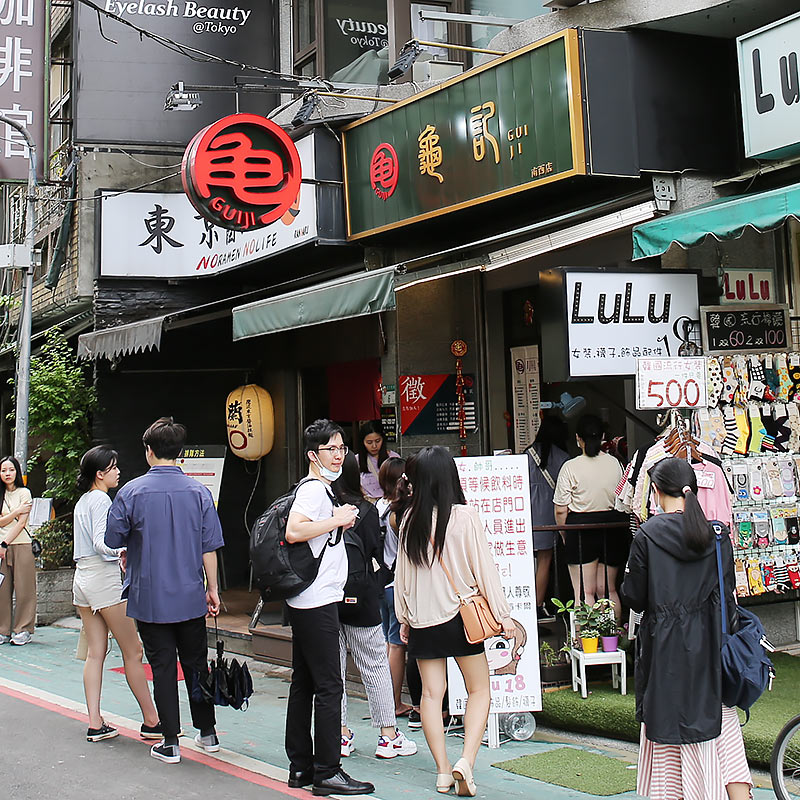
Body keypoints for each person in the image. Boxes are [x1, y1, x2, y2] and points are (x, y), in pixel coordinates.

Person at [621, 458, 752, 800]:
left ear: (657, 492)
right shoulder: (717, 535)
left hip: (664, 653)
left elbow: (634, 597)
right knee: (723, 737)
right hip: (711, 652)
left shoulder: (647, 534)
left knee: (668, 741)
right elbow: (727, 594)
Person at [395, 446, 513, 797]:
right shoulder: (465, 517)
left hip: (423, 618)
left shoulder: (408, 520)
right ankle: (467, 761)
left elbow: (402, 577)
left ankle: (444, 771)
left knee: (431, 696)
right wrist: (503, 614)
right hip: (463, 618)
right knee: (479, 690)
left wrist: (404, 617)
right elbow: (485, 570)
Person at [105, 417, 223, 765]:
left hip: (150, 595)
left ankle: (170, 741)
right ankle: (208, 733)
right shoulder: (199, 492)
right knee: (196, 664)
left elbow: (113, 539)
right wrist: (212, 588)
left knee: (163, 667)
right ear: (181, 453)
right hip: (191, 594)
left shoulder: (131, 492)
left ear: (149, 452)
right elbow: (209, 546)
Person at [284, 419, 374, 796]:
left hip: (310, 598)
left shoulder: (322, 489)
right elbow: (293, 531)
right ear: (312, 455)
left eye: (341, 449)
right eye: (331, 450)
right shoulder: (314, 491)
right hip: (316, 599)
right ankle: (327, 770)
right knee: (329, 684)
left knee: (306, 682)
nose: (338, 456)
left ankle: (302, 768)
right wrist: (335, 519)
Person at [73, 445, 161, 742]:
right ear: (100, 474)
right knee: (133, 651)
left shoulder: (83, 500)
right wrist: (122, 549)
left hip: (82, 580)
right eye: (113, 467)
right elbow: (102, 542)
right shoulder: (101, 500)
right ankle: (152, 721)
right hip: (104, 581)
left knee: (96, 652)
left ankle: (95, 723)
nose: (118, 471)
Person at [333, 452, 417, 760]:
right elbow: (375, 553)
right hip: (361, 594)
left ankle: (339, 735)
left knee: (334, 668)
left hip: (325, 598)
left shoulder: (320, 505)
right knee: (374, 664)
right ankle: (388, 736)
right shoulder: (366, 510)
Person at [553, 414, 627, 613]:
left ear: (578, 438)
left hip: (580, 528)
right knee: (609, 591)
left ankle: (584, 642)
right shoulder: (616, 464)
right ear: (603, 436)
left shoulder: (570, 467)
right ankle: (614, 640)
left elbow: (561, 509)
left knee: (584, 592)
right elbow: (623, 501)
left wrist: (564, 533)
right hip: (612, 528)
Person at [378, 456, 422, 725]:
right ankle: (393, 703)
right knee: (397, 646)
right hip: (398, 584)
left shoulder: (379, 507)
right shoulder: (402, 510)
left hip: (381, 581)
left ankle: (388, 701)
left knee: (387, 642)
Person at [525, 416, 570, 620]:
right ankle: (537, 606)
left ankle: (526, 604)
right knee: (545, 561)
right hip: (548, 513)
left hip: (526, 512)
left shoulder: (527, 454)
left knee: (526, 562)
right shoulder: (563, 458)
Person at [0, 456, 34, 646]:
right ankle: (2, 630)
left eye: (11, 470)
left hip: (21, 545)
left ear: (17, 472)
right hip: (1, 547)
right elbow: (1, 521)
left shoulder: (24, 493)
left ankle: (23, 630)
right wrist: (16, 511)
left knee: (24, 589)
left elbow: (22, 523)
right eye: (3, 470)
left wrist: (4, 543)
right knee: (2, 590)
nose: (7, 474)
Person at [356, 421, 400, 502]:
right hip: (368, 504)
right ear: (362, 442)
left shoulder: (393, 458)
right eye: (369, 442)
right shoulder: (356, 460)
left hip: (389, 504)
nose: (374, 446)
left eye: (377, 441)